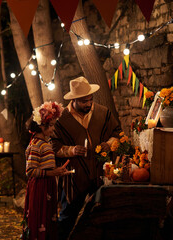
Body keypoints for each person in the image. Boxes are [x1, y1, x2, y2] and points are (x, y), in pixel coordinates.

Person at [51, 76, 121, 240]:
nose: (88, 104)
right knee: (67, 218)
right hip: (74, 178)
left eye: (90, 100)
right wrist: (72, 150)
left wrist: (109, 144)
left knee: (100, 216)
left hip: (100, 174)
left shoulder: (103, 112)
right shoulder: (61, 120)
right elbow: (53, 147)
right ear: (74, 100)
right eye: (84, 101)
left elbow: (117, 134)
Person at [22, 101, 71, 240]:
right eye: (51, 125)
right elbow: (30, 171)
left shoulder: (45, 143)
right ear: (41, 126)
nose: (53, 129)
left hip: (47, 187)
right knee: (40, 218)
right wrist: (52, 173)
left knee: (48, 219)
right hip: (39, 189)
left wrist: (58, 171)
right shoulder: (37, 144)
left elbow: (44, 166)